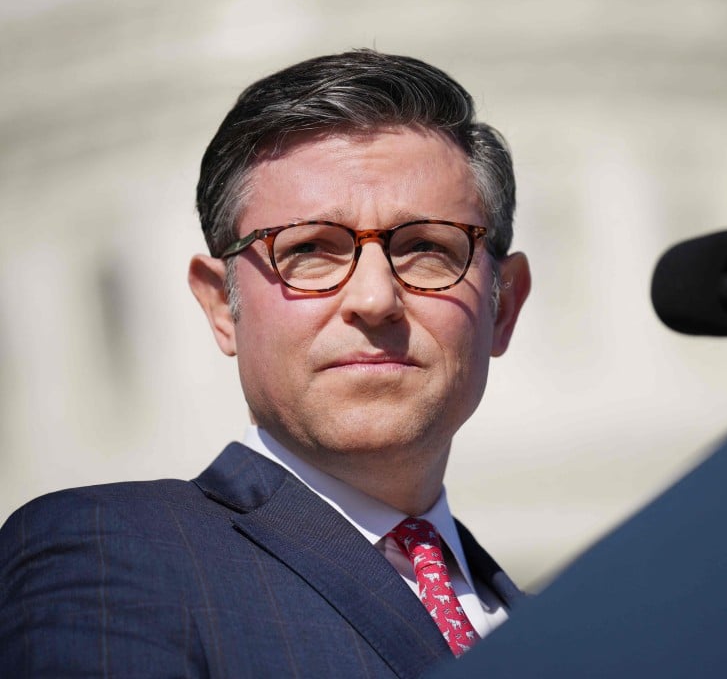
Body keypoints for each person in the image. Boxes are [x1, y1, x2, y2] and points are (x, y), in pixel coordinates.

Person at [0, 50, 531, 678]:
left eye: (426, 248)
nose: (373, 298)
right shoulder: (116, 554)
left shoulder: (562, 627)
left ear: (504, 306)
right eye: (308, 250)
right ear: (222, 306)